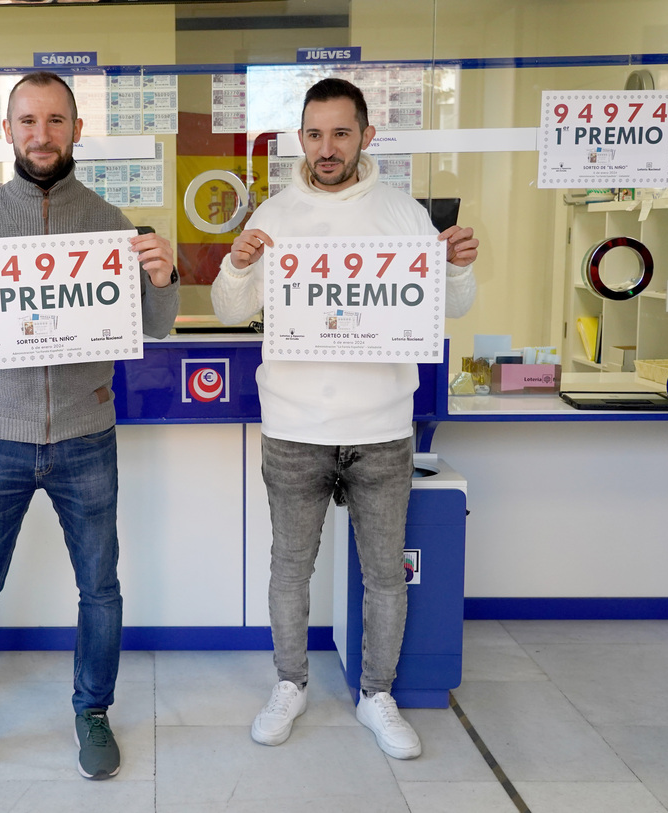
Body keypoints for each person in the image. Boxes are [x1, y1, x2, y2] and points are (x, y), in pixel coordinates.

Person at [0, 71, 179, 784]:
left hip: (88, 434)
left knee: (100, 588)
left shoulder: (113, 223)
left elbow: (155, 323)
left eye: (56, 120)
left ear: (76, 129)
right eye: (28, 120)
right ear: (8, 132)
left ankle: (93, 710)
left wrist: (161, 273)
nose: (42, 134)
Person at [211, 77, 478, 760]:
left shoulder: (403, 214)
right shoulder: (274, 213)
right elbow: (227, 310)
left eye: (340, 133)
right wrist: (239, 265)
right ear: (299, 138)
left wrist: (458, 267)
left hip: (382, 425)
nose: (326, 148)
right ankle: (290, 684)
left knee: (386, 572)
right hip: (295, 426)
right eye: (315, 133)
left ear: (366, 136)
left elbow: (452, 306)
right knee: (289, 567)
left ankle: (377, 694)